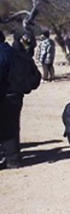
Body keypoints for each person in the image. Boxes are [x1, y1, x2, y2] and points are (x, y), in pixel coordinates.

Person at [0, 31, 24, 169]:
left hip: (4, 95)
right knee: (13, 126)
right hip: (16, 94)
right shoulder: (14, 52)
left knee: (5, 128)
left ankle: (10, 158)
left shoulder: (2, 54)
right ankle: (13, 159)